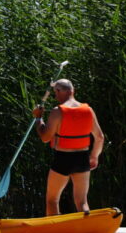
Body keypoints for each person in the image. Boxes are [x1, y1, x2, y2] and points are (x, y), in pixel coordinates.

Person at [34, 79, 105, 215]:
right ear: (73, 91)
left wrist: (38, 118)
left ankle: (56, 232)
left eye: (56, 92)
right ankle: (87, 230)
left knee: (52, 200)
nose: (55, 96)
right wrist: (94, 157)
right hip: (82, 159)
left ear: (60, 91)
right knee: (82, 201)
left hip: (63, 159)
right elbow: (100, 137)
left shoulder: (57, 111)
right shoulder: (88, 110)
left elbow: (45, 138)